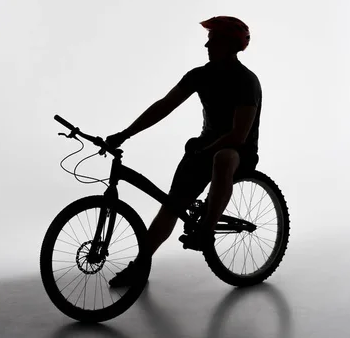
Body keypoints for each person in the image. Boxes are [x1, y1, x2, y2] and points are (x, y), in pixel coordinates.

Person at [104, 16, 262, 287]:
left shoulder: (247, 81)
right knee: (170, 207)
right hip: (204, 149)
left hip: (238, 151)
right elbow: (163, 106)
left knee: (222, 158)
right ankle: (140, 265)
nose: (206, 45)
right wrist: (125, 134)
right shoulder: (199, 76)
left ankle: (206, 233)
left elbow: (238, 135)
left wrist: (206, 149)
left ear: (228, 44)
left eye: (212, 40)